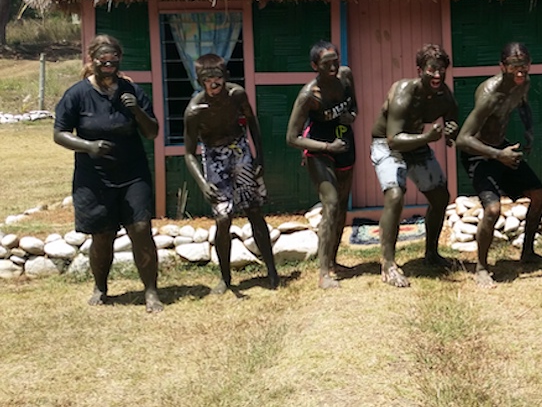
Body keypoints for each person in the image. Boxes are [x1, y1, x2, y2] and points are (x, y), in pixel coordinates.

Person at [53, 34, 163, 312]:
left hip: (133, 173)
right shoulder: (77, 94)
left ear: (118, 60)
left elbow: (152, 132)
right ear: (93, 60)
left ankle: (151, 291)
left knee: (140, 229)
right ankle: (100, 287)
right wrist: (88, 145)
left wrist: (136, 110)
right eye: (103, 59)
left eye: (113, 59)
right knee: (102, 234)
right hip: (94, 178)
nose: (108, 63)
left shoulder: (132, 90)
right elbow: (60, 134)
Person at [183, 53, 280, 294]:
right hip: (214, 158)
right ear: (199, 81)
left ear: (225, 77)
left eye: (218, 78)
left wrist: (259, 157)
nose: (214, 84)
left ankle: (272, 270)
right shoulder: (195, 111)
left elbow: (252, 123)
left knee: (254, 211)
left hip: (240, 150)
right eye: (207, 79)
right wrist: (203, 183)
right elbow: (188, 153)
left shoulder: (236, 95)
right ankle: (225, 278)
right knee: (223, 218)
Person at [455, 42, 542, 288]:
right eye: (514, 66)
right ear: (502, 66)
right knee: (493, 210)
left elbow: (524, 105)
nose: (520, 71)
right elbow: (463, 140)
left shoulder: (523, 84)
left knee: (540, 196)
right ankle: (482, 268)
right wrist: (498, 155)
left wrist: (528, 132)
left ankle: (527, 252)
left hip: (501, 149)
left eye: (524, 65)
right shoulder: (489, 94)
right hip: (479, 153)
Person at [371, 44, 460, 287]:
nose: (437, 75)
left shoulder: (443, 95)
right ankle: (388, 264)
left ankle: (431, 253)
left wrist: (452, 132)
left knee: (441, 197)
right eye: (432, 69)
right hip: (389, 145)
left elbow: (453, 119)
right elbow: (393, 138)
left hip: (417, 144)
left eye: (441, 70)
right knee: (395, 196)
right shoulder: (403, 91)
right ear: (420, 69)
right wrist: (427, 138)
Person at [286, 41, 357, 289]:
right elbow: (292, 137)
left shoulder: (346, 76)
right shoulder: (309, 95)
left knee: (342, 208)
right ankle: (324, 273)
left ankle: (334, 260)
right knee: (331, 203)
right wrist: (327, 147)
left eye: (335, 60)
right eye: (327, 64)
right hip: (320, 149)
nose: (333, 66)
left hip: (345, 145)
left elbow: (354, 106)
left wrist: (352, 116)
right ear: (315, 66)